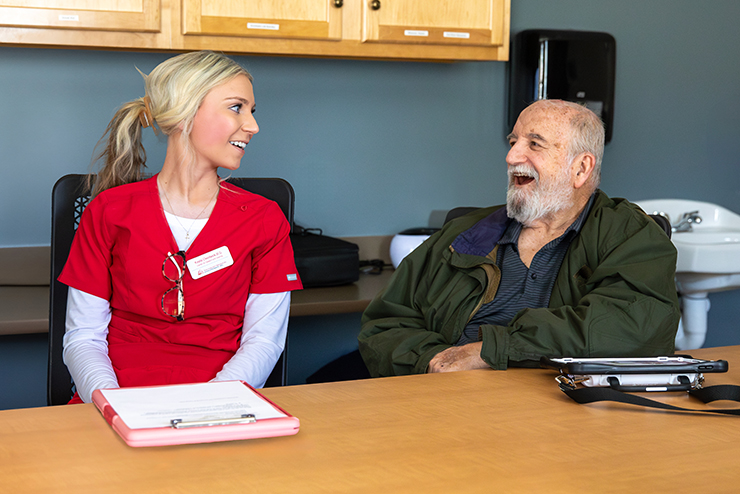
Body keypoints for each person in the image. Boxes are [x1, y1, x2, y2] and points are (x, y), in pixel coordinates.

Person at [358, 99, 680, 377]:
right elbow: (385, 324)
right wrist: (434, 362)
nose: (512, 157)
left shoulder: (631, 236)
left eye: (534, 144)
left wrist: (491, 351)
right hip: (449, 403)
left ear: (581, 168)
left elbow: (634, 328)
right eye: (513, 142)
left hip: (565, 414)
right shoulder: (465, 233)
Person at [60, 51, 303, 403]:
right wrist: (112, 404)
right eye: (237, 107)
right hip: (114, 397)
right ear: (185, 112)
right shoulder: (108, 212)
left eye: (252, 111)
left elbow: (264, 340)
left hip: (221, 398)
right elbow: (83, 337)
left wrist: (208, 405)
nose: (252, 126)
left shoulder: (263, 219)